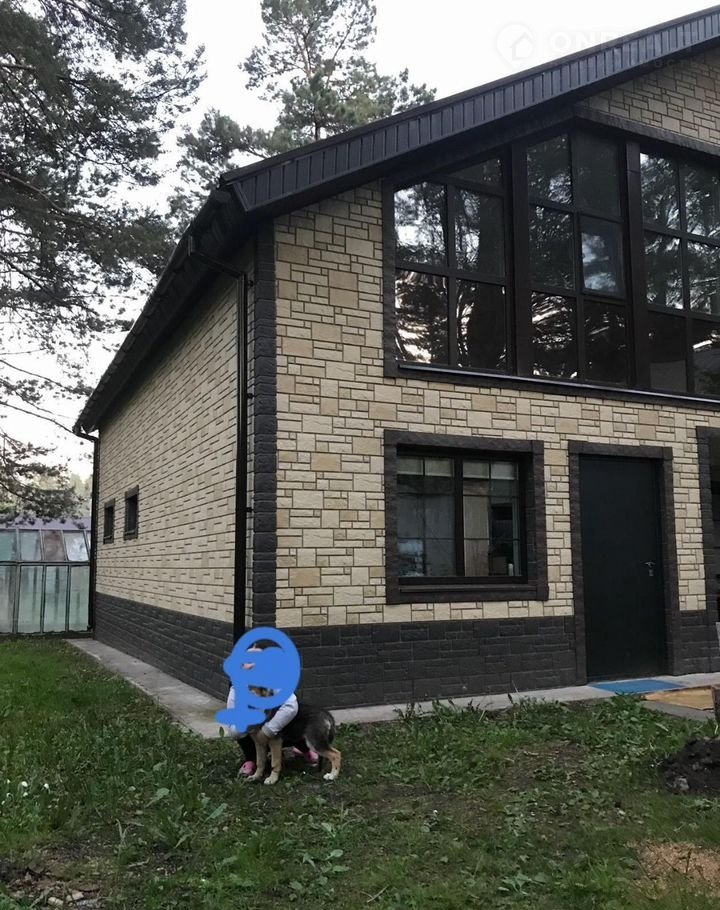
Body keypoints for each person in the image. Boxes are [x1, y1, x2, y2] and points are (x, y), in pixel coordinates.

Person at [225, 646, 318, 776]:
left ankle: (303, 749)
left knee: (294, 717)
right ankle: (251, 759)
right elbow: (233, 729)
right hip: (254, 729)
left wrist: (268, 730)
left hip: (278, 723)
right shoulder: (236, 687)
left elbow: (290, 706)